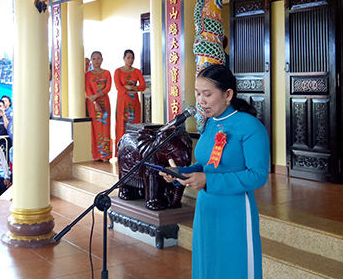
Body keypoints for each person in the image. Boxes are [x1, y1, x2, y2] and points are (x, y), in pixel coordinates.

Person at [160, 64, 269, 279]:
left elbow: (258, 174)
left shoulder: (250, 127)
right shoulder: (210, 124)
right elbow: (206, 165)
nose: (200, 100)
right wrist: (179, 173)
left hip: (235, 209)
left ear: (228, 94)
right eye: (198, 93)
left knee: (233, 265)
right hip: (207, 207)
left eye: (207, 94)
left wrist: (208, 181)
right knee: (208, 262)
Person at [114, 49, 146, 144]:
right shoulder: (118, 71)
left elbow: (143, 86)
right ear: (123, 58)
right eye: (128, 57)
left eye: (132, 58)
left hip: (134, 102)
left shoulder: (137, 72)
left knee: (135, 124)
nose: (130, 60)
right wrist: (130, 90)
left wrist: (131, 87)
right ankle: (120, 148)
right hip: (122, 102)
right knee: (121, 124)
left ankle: (134, 148)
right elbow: (118, 87)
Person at [85, 51, 113, 161]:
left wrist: (96, 95)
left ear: (102, 59)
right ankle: (96, 155)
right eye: (94, 59)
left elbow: (107, 88)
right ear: (91, 61)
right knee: (95, 128)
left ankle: (105, 155)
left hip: (104, 103)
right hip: (93, 104)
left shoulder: (107, 73)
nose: (96, 61)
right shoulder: (87, 75)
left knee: (105, 128)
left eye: (98, 58)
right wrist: (95, 103)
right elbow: (87, 89)